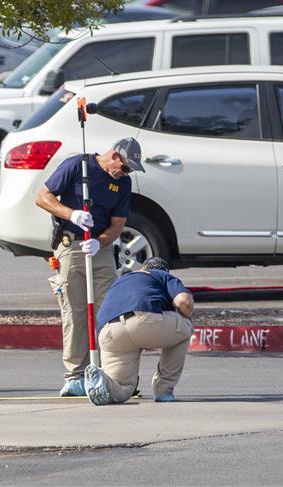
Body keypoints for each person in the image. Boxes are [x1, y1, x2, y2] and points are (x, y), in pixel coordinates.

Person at [35, 137, 145, 396]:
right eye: (126, 167)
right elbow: (42, 197)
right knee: (74, 313)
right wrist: (70, 213)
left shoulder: (123, 183)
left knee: (110, 310)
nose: (126, 173)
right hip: (71, 244)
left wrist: (99, 242)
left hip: (99, 249)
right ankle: (76, 375)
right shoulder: (78, 166)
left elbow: (117, 224)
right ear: (115, 156)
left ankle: (113, 372)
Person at [83, 257, 194, 405]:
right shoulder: (163, 276)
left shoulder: (121, 280)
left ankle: (104, 384)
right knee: (185, 327)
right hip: (142, 319)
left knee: (124, 387)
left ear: (143, 268)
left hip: (108, 330)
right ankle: (163, 390)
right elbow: (184, 302)